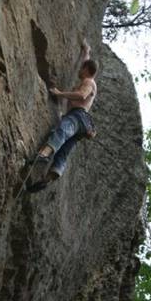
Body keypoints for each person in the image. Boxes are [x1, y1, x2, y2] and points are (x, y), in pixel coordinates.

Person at [28, 39, 97, 191]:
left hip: (78, 117)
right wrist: (86, 51)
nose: (79, 70)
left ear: (86, 70)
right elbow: (87, 63)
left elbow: (81, 95)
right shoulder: (90, 79)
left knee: (62, 130)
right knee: (64, 151)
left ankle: (44, 155)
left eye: (81, 68)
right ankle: (49, 177)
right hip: (82, 125)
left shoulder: (88, 82)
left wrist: (60, 93)